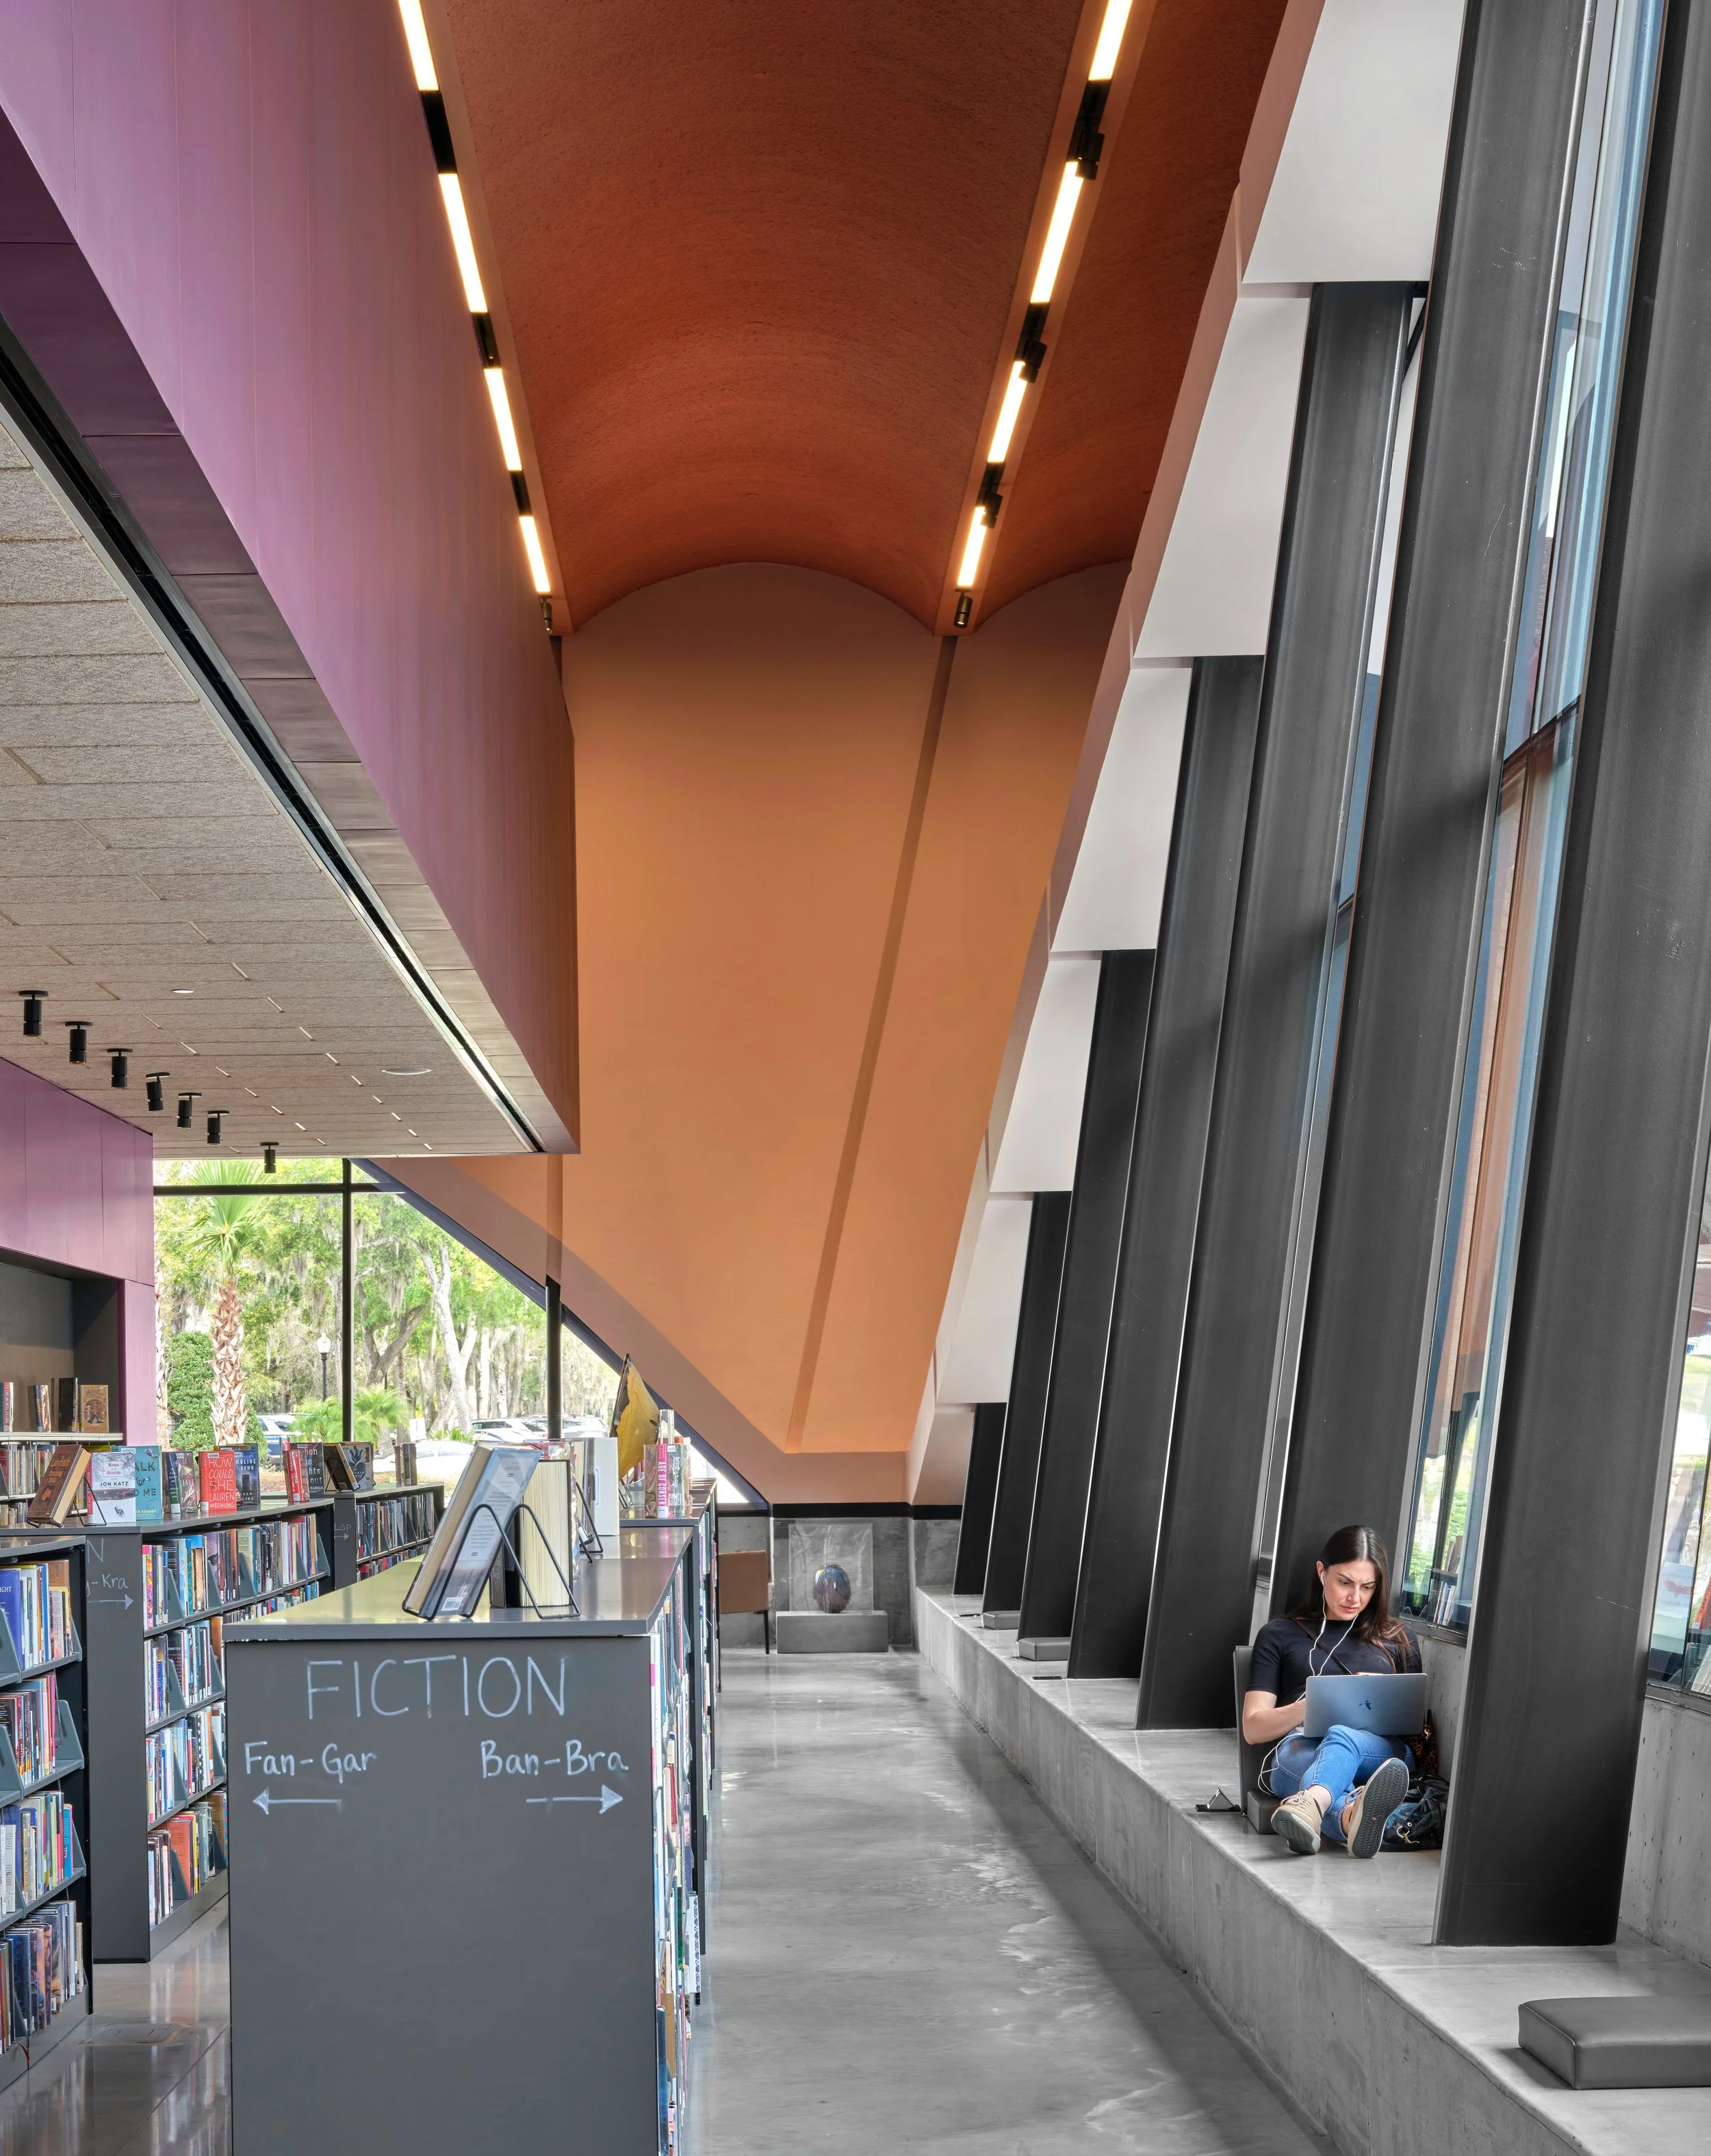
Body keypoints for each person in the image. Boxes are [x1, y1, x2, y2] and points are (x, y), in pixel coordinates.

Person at [1242, 1524, 1422, 1858]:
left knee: (1342, 1735)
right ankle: (1350, 1817)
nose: (1356, 1598)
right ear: (1322, 1572)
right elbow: (1254, 1729)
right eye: (1345, 1583)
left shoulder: (1397, 1637)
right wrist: (1315, 1705)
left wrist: (1373, 1697)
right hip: (1301, 1748)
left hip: (1381, 1753)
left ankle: (1309, 1805)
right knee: (1303, 1761)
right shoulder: (1280, 1635)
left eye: (1368, 1587)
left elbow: (1414, 1728)